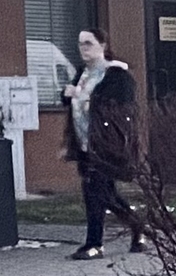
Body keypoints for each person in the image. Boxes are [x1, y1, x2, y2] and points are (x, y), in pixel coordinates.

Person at [62, 27, 144, 260]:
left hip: (106, 144)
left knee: (94, 192)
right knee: (105, 194)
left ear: (103, 46)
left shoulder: (116, 75)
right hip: (84, 143)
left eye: (88, 43)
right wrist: (68, 94)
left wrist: (82, 95)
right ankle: (137, 226)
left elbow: (119, 104)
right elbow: (73, 103)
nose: (83, 48)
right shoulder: (83, 73)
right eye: (80, 44)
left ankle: (94, 243)